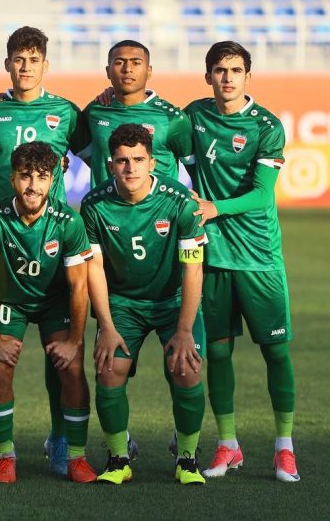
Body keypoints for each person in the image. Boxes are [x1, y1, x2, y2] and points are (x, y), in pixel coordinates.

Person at [0, 25, 89, 477]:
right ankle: (1, 449)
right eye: (18, 59)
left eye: (33, 60)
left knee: (64, 359)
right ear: (7, 64)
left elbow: (103, 161)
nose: (25, 67)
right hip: (2, 242)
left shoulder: (66, 113)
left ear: (45, 65)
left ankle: (63, 440)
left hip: (52, 243)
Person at [185, 41, 298, 482]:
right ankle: (228, 444)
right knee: (217, 351)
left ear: (248, 76)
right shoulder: (195, 115)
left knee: (275, 351)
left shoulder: (266, 126)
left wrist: (214, 208)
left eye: (235, 70)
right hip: (214, 257)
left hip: (258, 257)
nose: (227, 77)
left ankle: (284, 447)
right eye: (219, 70)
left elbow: (262, 194)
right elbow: (152, 125)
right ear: (208, 76)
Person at [80, 123, 207, 485]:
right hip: (123, 303)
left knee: (186, 369)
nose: (130, 167)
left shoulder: (179, 201)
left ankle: (187, 458)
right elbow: (94, 269)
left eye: (138, 159)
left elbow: (193, 268)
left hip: (173, 301)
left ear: (152, 163)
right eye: (122, 160)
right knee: (109, 369)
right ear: (110, 164)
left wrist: (184, 329)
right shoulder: (94, 205)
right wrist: (106, 326)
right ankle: (119, 458)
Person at [0, 142, 95, 484]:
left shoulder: (68, 221)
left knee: (72, 367)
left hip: (55, 302)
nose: (33, 186)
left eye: (42, 177)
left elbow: (79, 287)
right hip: (8, 302)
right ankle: (4, 454)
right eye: (25, 176)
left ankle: (74, 455)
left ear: (53, 180)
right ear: (12, 178)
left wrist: (74, 341)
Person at [74, 40, 193, 187]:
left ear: (149, 71)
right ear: (108, 71)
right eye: (119, 62)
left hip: (159, 203)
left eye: (136, 63)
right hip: (106, 202)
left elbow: (196, 169)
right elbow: (77, 144)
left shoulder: (173, 119)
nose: (127, 69)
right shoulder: (95, 110)